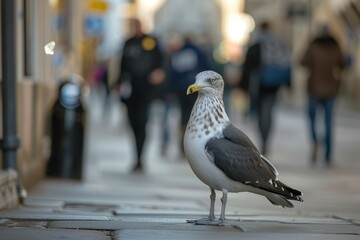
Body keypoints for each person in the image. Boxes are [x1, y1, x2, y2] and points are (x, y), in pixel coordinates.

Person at [117, 18, 165, 172]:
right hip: (131, 89)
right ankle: (136, 156)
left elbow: (161, 62)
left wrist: (159, 73)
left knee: (142, 121)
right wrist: (118, 83)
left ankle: (140, 158)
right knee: (133, 123)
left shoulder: (151, 41)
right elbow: (122, 65)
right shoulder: (128, 43)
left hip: (146, 89)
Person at [240, 21, 291, 155]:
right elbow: (286, 64)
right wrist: (288, 84)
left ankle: (263, 140)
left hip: (257, 88)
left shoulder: (255, 46)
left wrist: (243, 87)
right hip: (273, 87)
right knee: (268, 115)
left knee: (260, 116)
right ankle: (266, 141)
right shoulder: (278, 45)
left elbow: (247, 68)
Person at [301, 26, 346, 167]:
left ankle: (315, 140)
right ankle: (328, 155)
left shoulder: (313, 45)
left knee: (312, 118)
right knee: (328, 122)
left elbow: (302, 62)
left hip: (314, 88)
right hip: (331, 89)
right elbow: (343, 64)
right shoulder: (335, 47)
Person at [165, 34, 211, 158]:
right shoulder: (198, 52)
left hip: (182, 90)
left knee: (184, 116)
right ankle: (194, 144)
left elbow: (173, 74)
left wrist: (170, 90)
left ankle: (183, 143)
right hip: (196, 89)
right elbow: (207, 69)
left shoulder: (178, 54)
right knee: (196, 116)